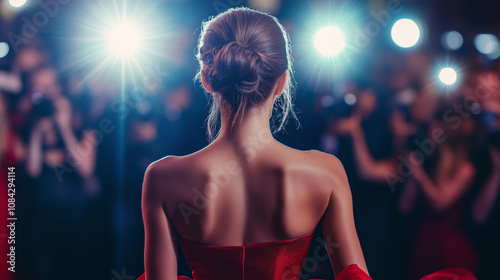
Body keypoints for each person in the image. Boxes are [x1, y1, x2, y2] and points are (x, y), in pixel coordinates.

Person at [137, 7, 477, 280]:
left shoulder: (162, 177)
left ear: (208, 78)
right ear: (283, 82)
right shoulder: (325, 172)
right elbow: (354, 275)